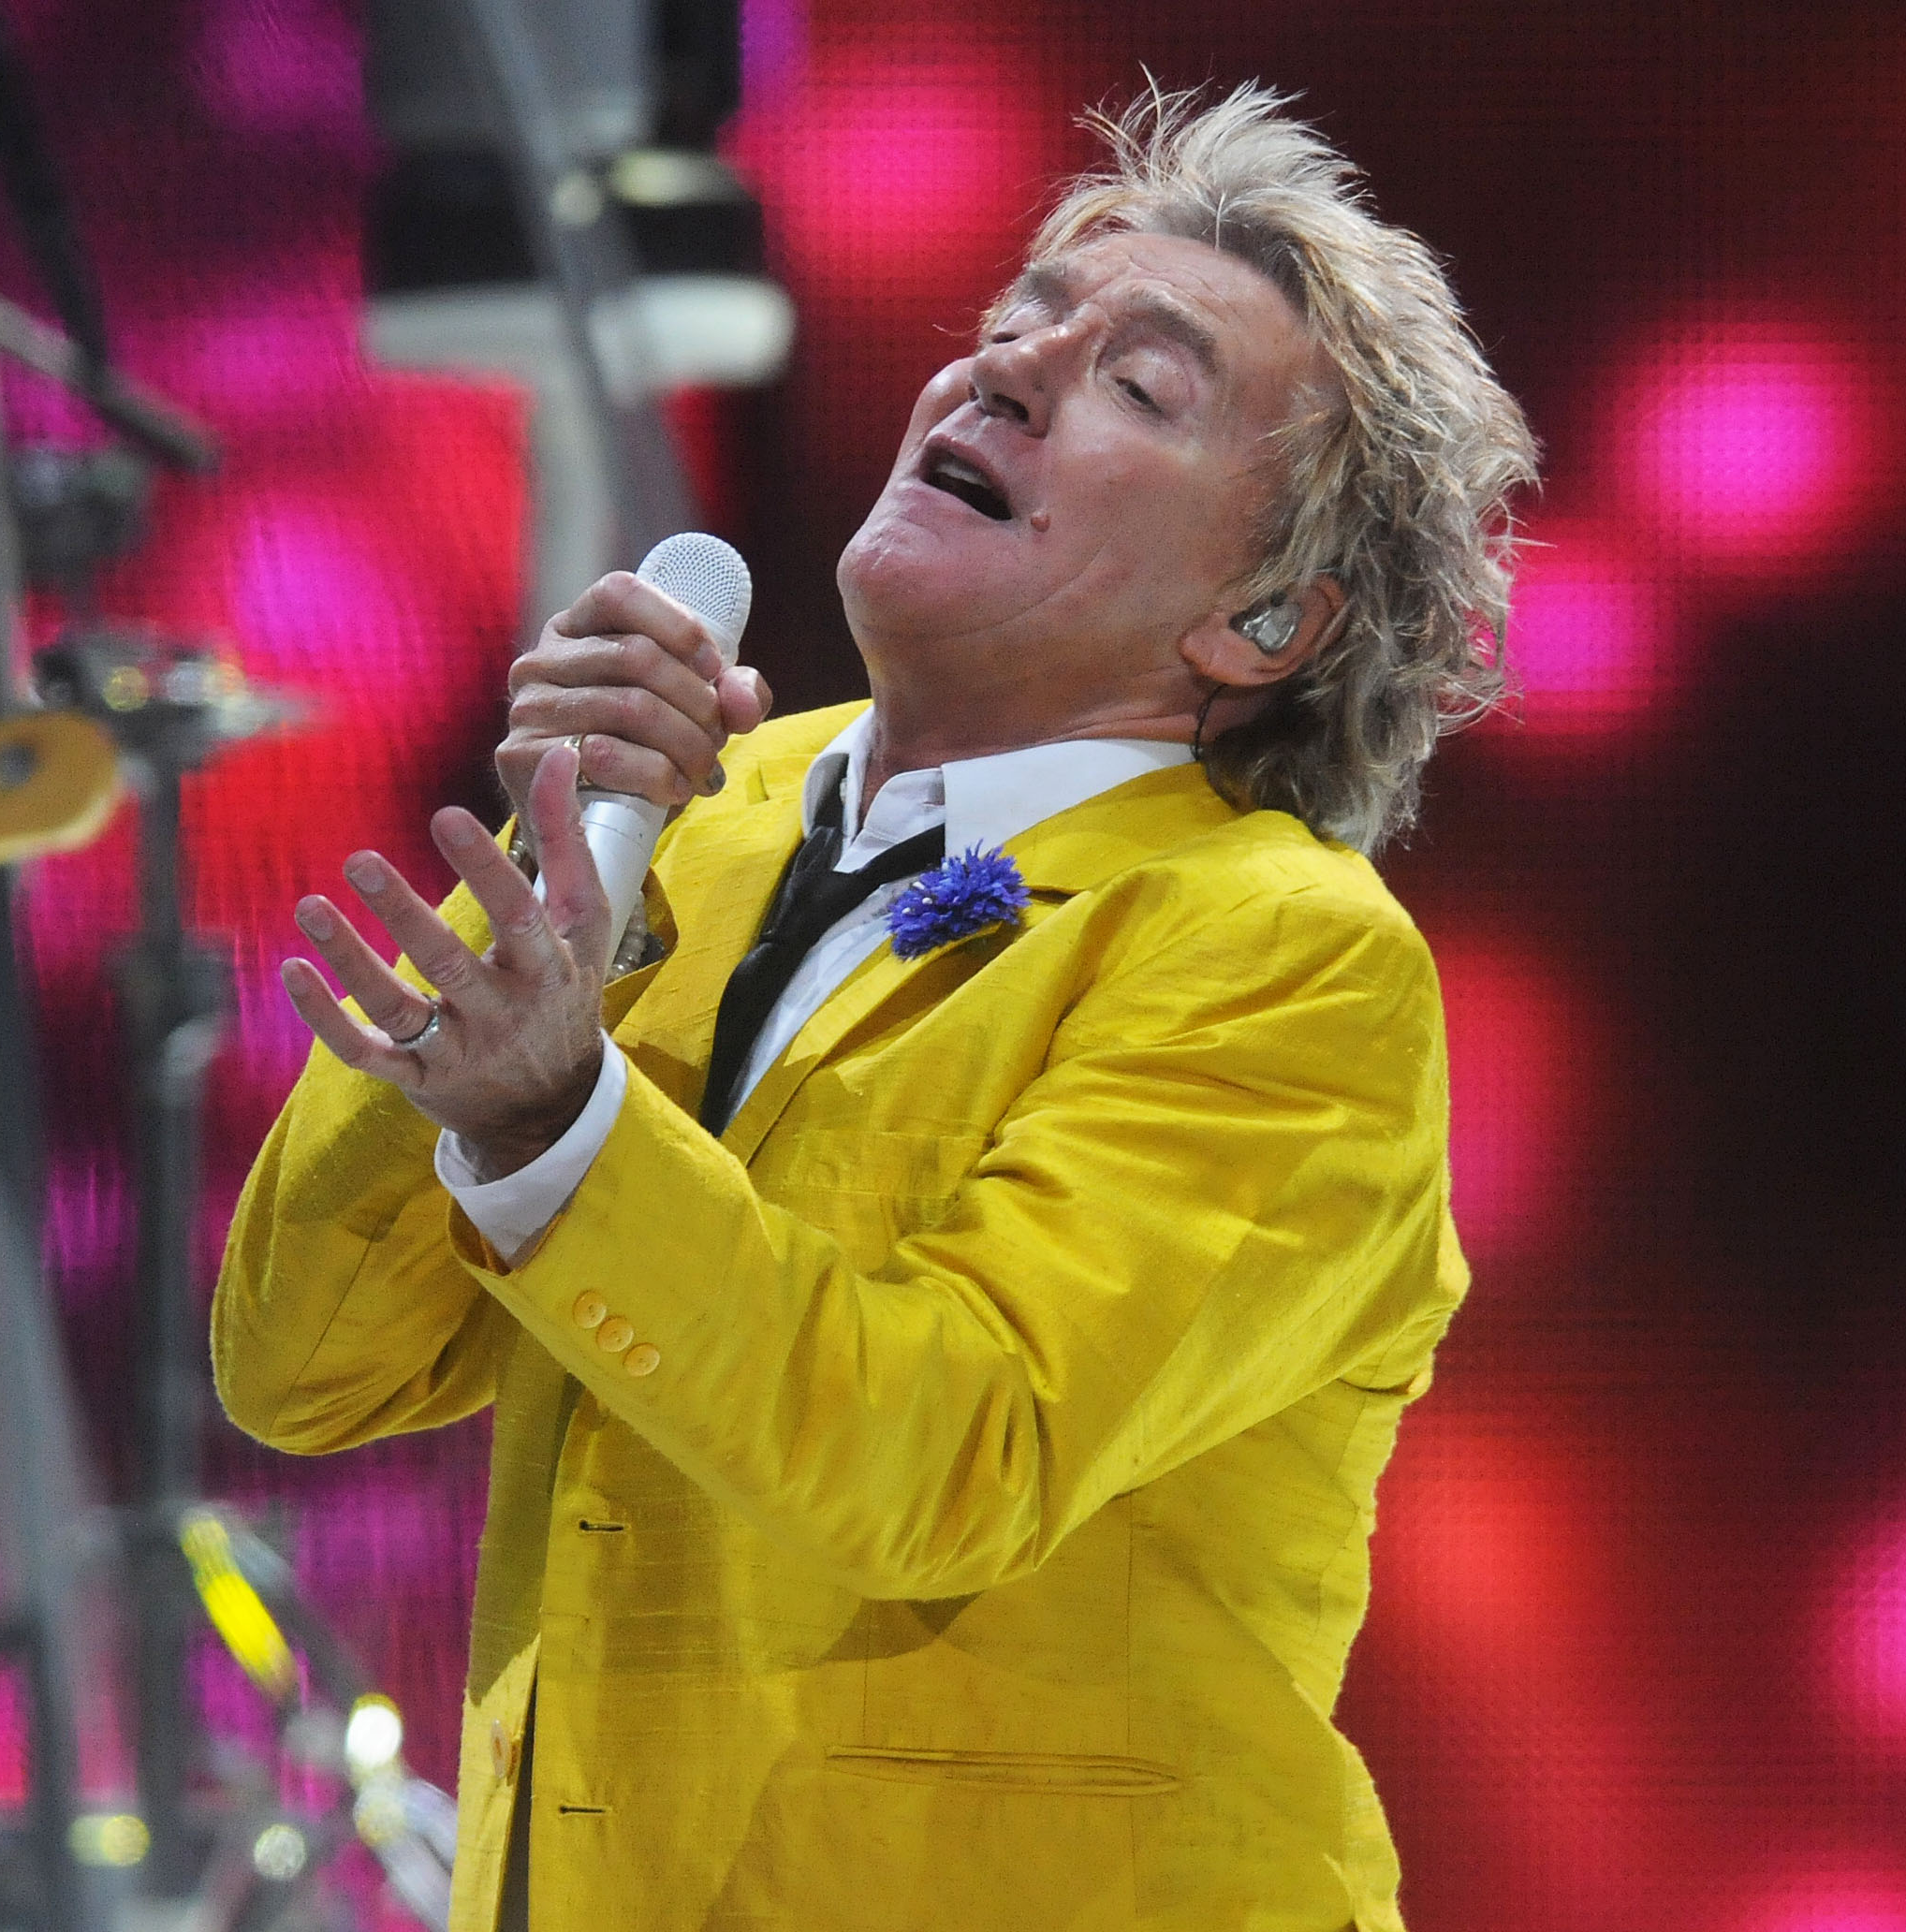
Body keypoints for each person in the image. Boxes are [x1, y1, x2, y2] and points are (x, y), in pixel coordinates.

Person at [213, 80, 1534, 1932]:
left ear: (1264, 624)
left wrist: (556, 1130)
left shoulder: (1286, 961)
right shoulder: (690, 814)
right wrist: (554, 873)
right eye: (1011, 329)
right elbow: (299, 1367)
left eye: (1140, 386)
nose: (998, 377)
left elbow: (953, 1453)